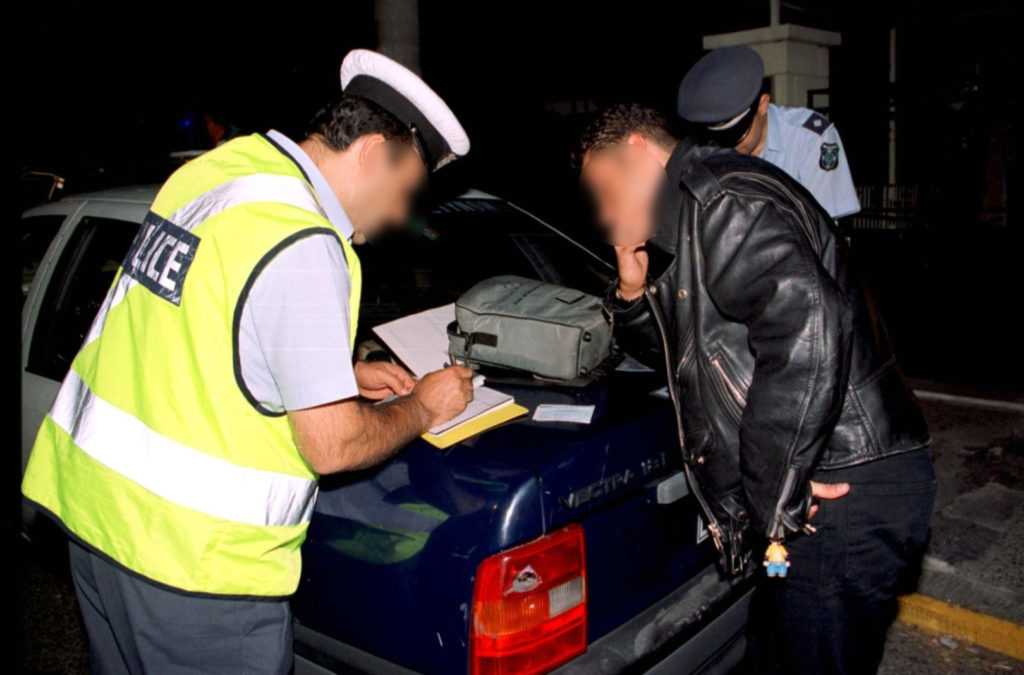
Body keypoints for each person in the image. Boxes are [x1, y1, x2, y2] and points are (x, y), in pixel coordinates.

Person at [21, 49, 474, 675]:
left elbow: (195, 318)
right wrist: (422, 406)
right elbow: (332, 445)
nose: (399, 213)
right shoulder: (304, 238)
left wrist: (330, 373)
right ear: (373, 153)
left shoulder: (218, 174)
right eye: (405, 190)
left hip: (98, 522)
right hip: (196, 569)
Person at [577, 103, 935, 675]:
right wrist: (633, 293)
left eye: (604, 190)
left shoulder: (721, 200)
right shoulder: (696, 215)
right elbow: (691, 358)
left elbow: (809, 327)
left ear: (637, 151)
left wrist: (775, 490)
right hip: (813, 483)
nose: (604, 212)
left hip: (842, 484)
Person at [678, 45, 861, 219]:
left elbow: (826, 228)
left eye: (736, 136)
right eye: (720, 139)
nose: (729, 148)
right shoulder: (701, 148)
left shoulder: (809, 140)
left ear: (763, 105)